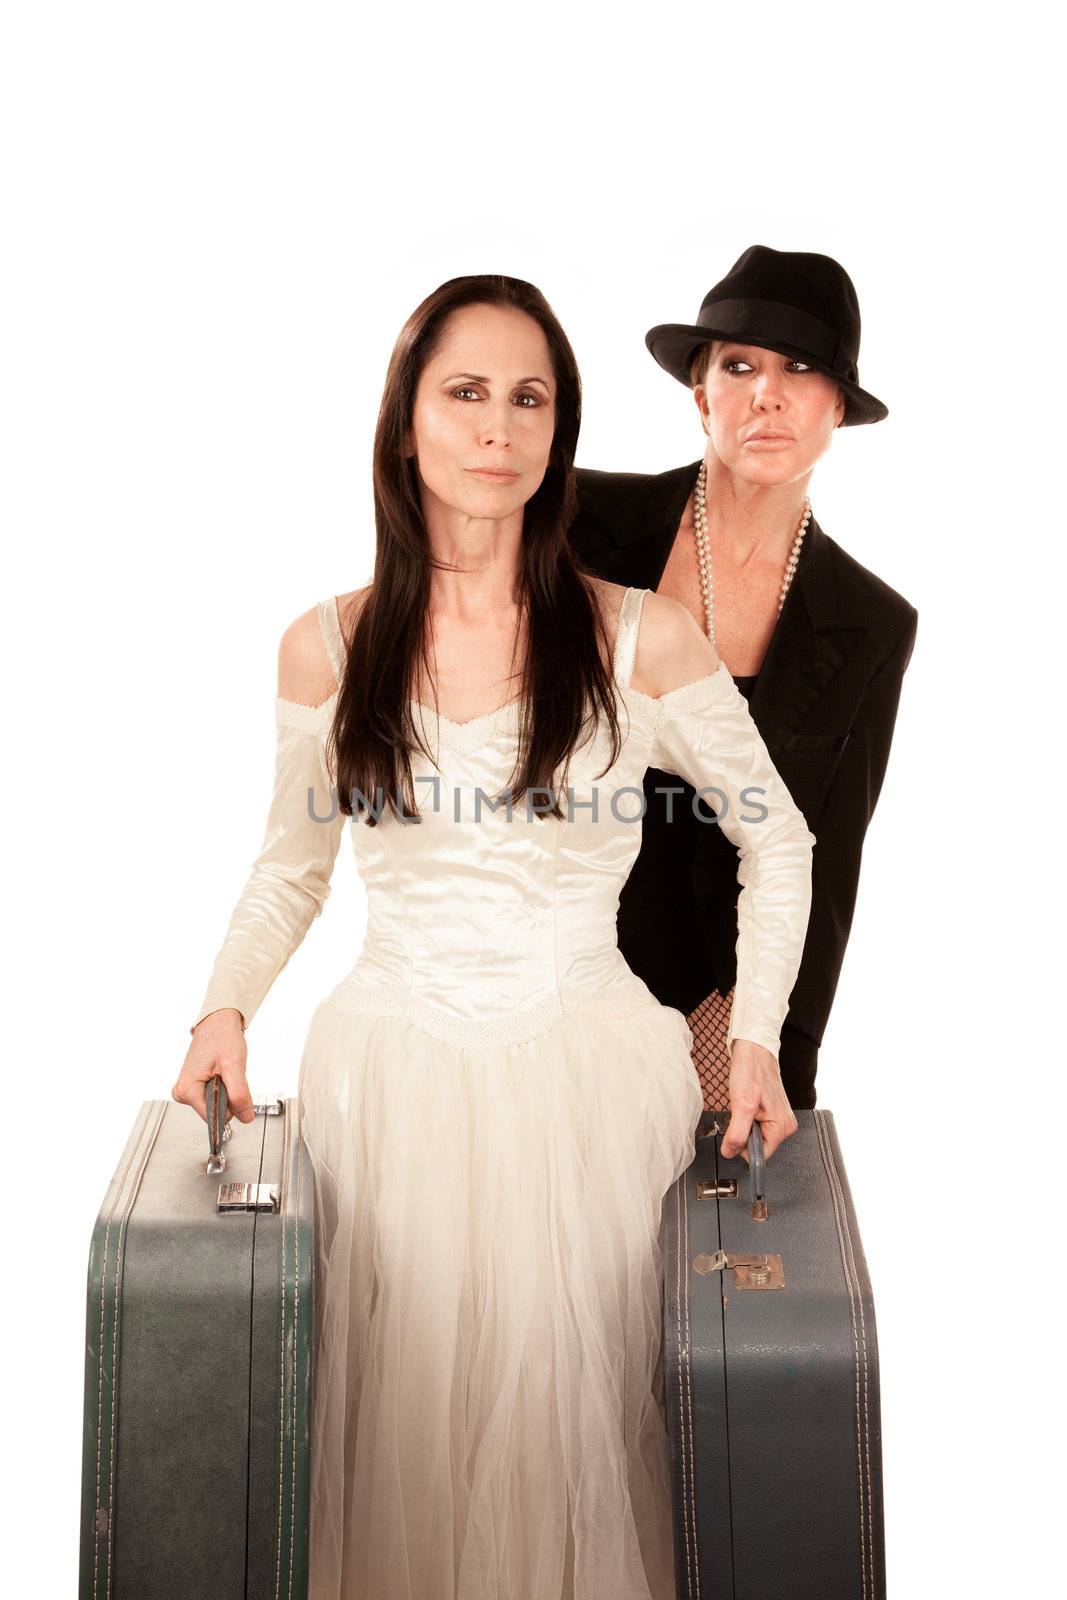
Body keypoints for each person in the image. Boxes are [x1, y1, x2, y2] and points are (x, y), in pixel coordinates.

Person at [172, 274, 815, 1600]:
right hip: (388, 1090)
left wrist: (750, 1037)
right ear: (404, 425)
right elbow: (290, 871)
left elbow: (778, 838)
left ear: (556, 434)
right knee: (395, 1449)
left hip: (582, 1086)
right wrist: (221, 1008)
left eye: (530, 399)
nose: (497, 426)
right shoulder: (325, 648)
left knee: (568, 1451)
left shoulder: (639, 638)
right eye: (464, 392)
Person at [569, 245, 918, 1112]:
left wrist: (785, 1051)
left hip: (722, 1002)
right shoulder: (578, 524)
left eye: (800, 370)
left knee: (702, 1236)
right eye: (739, 366)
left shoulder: (871, 622)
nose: (767, 393)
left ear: (838, 407)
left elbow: (828, 858)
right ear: (701, 397)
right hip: (554, 968)